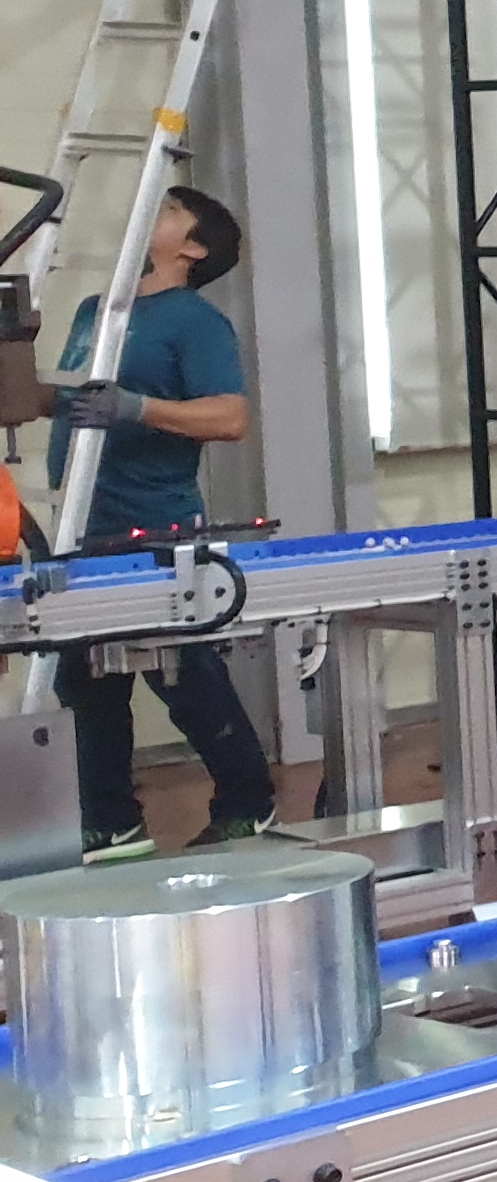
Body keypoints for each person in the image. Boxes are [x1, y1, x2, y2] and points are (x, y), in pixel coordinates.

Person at [48, 187, 274, 859]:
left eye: (170, 211)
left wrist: (137, 408)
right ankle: (110, 820)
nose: (150, 209)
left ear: (193, 249)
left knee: (183, 674)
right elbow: (73, 398)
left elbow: (230, 417)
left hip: (154, 526)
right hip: (81, 526)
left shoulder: (196, 323)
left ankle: (248, 803)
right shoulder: (97, 311)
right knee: (86, 679)